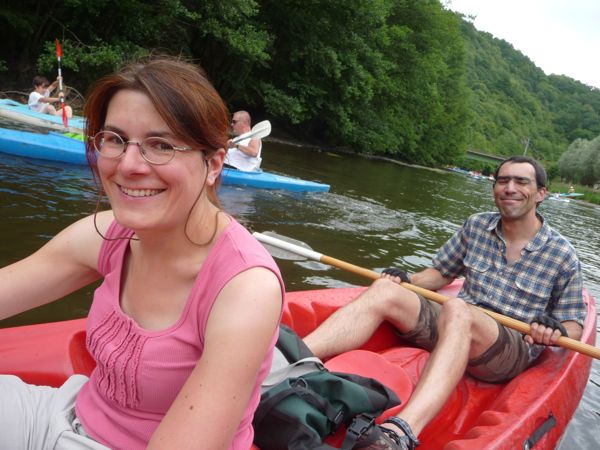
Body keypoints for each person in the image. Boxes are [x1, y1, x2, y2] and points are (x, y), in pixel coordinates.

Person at [0, 57, 284, 449]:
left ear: (214, 164)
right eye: (115, 139)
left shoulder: (245, 289)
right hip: (65, 415)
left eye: (161, 145)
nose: (128, 165)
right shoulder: (108, 235)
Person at [304, 155, 586, 450]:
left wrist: (554, 329)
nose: (510, 188)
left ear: (541, 193)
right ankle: (293, 357)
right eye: (503, 180)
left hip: (508, 348)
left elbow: (573, 326)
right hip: (455, 322)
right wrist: (407, 279)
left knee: (459, 310)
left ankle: (401, 431)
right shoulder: (476, 225)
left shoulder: (562, 254)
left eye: (521, 181)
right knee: (386, 289)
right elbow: (441, 273)